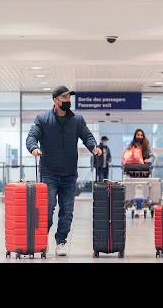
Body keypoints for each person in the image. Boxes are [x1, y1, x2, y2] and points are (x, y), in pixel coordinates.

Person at [26, 85, 102, 257]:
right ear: (56, 100)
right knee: (49, 207)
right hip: (49, 173)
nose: (68, 101)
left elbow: (87, 136)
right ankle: (41, 239)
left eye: (69, 98)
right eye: (64, 98)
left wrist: (94, 147)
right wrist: (33, 148)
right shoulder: (43, 119)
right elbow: (32, 136)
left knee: (67, 210)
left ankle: (61, 242)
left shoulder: (77, 120)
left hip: (69, 174)